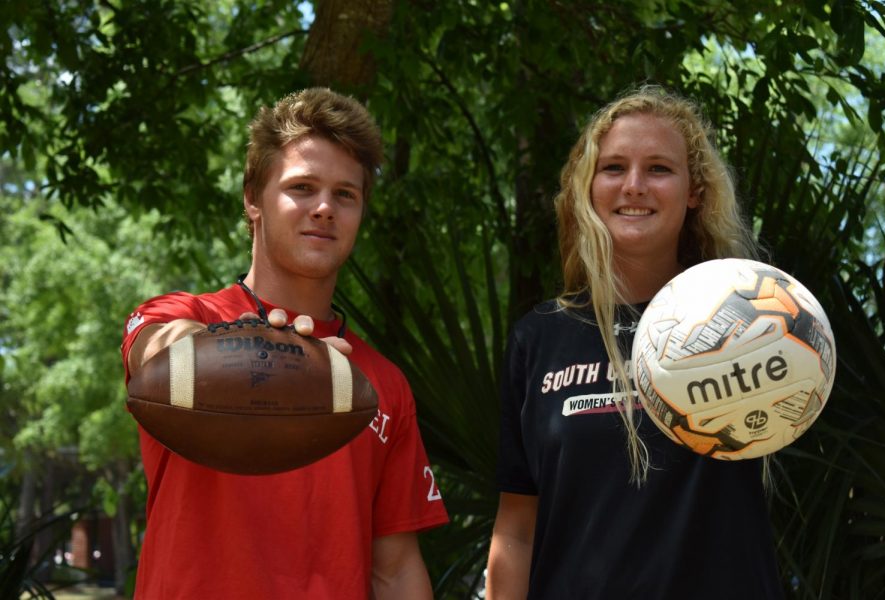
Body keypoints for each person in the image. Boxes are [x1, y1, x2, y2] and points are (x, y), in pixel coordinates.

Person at [121, 88, 448, 599]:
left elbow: (397, 569)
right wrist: (250, 355)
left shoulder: (380, 383)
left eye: (345, 194)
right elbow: (158, 350)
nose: (324, 208)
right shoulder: (184, 314)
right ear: (253, 200)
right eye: (302, 187)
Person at [485, 85, 784, 599]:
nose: (635, 186)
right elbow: (515, 529)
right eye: (614, 167)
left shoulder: (747, 318)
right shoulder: (539, 337)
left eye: (660, 169)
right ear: (588, 186)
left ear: (695, 192)